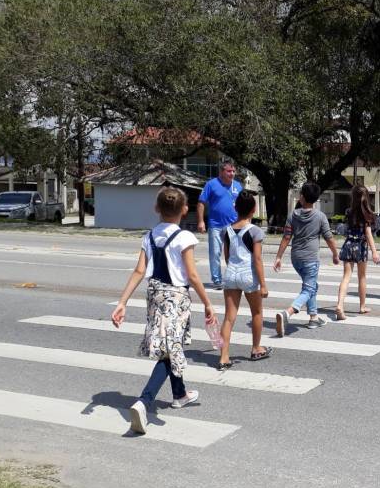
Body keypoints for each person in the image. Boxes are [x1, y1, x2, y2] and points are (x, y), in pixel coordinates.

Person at [111, 186, 216, 435]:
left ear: (157, 208)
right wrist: (207, 302)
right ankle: (144, 401)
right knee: (170, 351)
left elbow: (139, 271)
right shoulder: (184, 237)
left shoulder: (148, 236)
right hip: (176, 298)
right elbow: (191, 274)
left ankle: (179, 394)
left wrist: (122, 302)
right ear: (185, 210)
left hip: (155, 295)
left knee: (172, 346)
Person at [273, 182, 340, 336]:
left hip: (296, 258)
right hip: (310, 258)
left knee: (311, 286)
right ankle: (288, 313)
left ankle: (313, 317)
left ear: (302, 197)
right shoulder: (321, 217)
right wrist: (335, 254)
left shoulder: (293, 215)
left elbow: (286, 238)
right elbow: (329, 237)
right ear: (316, 199)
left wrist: (278, 257)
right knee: (309, 288)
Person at [217, 191, 270, 371]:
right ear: (254, 210)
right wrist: (263, 284)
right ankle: (256, 348)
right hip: (249, 276)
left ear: (236, 208)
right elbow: (257, 259)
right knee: (256, 312)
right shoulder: (255, 231)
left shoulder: (226, 230)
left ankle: (224, 357)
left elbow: (226, 256)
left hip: (231, 274)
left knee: (228, 318)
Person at [335, 185, 380, 320]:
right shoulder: (367, 214)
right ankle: (362, 306)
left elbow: (346, 229)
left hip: (348, 244)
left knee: (346, 276)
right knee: (362, 277)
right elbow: (368, 234)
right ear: (366, 197)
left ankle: (339, 305)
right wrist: (374, 252)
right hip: (360, 246)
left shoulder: (349, 212)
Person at [196, 161, 243, 290]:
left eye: (233, 171)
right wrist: (201, 221)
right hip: (215, 225)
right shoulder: (211, 184)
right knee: (215, 253)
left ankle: (233, 277)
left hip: (233, 225)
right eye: (229, 171)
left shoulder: (238, 186)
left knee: (234, 253)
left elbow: (244, 204)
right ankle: (217, 280)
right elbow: (201, 203)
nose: (232, 174)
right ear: (222, 171)